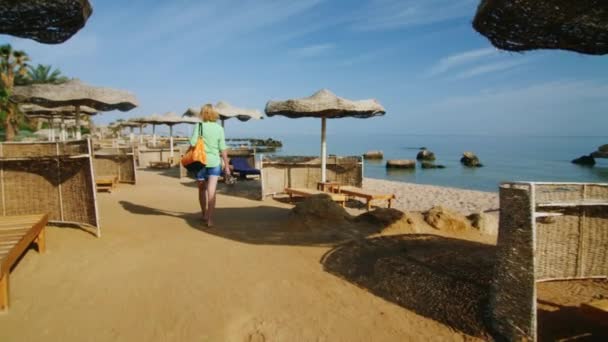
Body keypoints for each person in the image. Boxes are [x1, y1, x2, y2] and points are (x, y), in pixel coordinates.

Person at [190, 104, 230, 227]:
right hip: (214, 162)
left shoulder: (199, 126)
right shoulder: (219, 128)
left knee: (202, 190)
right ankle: (210, 219)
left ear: (202, 114)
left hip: (200, 162)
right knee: (211, 191)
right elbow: (223, 148)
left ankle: (204, 214)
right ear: (214, 114)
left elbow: (192, 143)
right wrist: (227, 166)